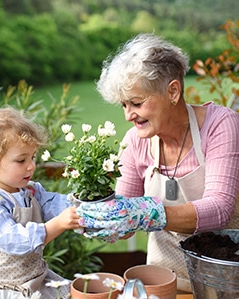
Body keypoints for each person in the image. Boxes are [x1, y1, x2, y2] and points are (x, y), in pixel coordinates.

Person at [77, 33, 239, 292]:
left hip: (221, 281)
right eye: (123, 105)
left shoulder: (221, 124)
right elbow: (125, 221)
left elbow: (220, 209)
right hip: (162, 281)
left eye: (137, 103)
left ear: (172, 91)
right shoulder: (136, 141)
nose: (129, 115)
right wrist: (99, 220)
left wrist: (146, 213)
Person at [0, 104, 81, 298]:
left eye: (32, 157)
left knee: (77, 292)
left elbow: (55, 204)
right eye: (21, 160)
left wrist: (84, 207)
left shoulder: (29, 190)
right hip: (0, 289)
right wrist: (57, 225)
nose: (31, 166)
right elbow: (15, 241)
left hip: (33, 279)